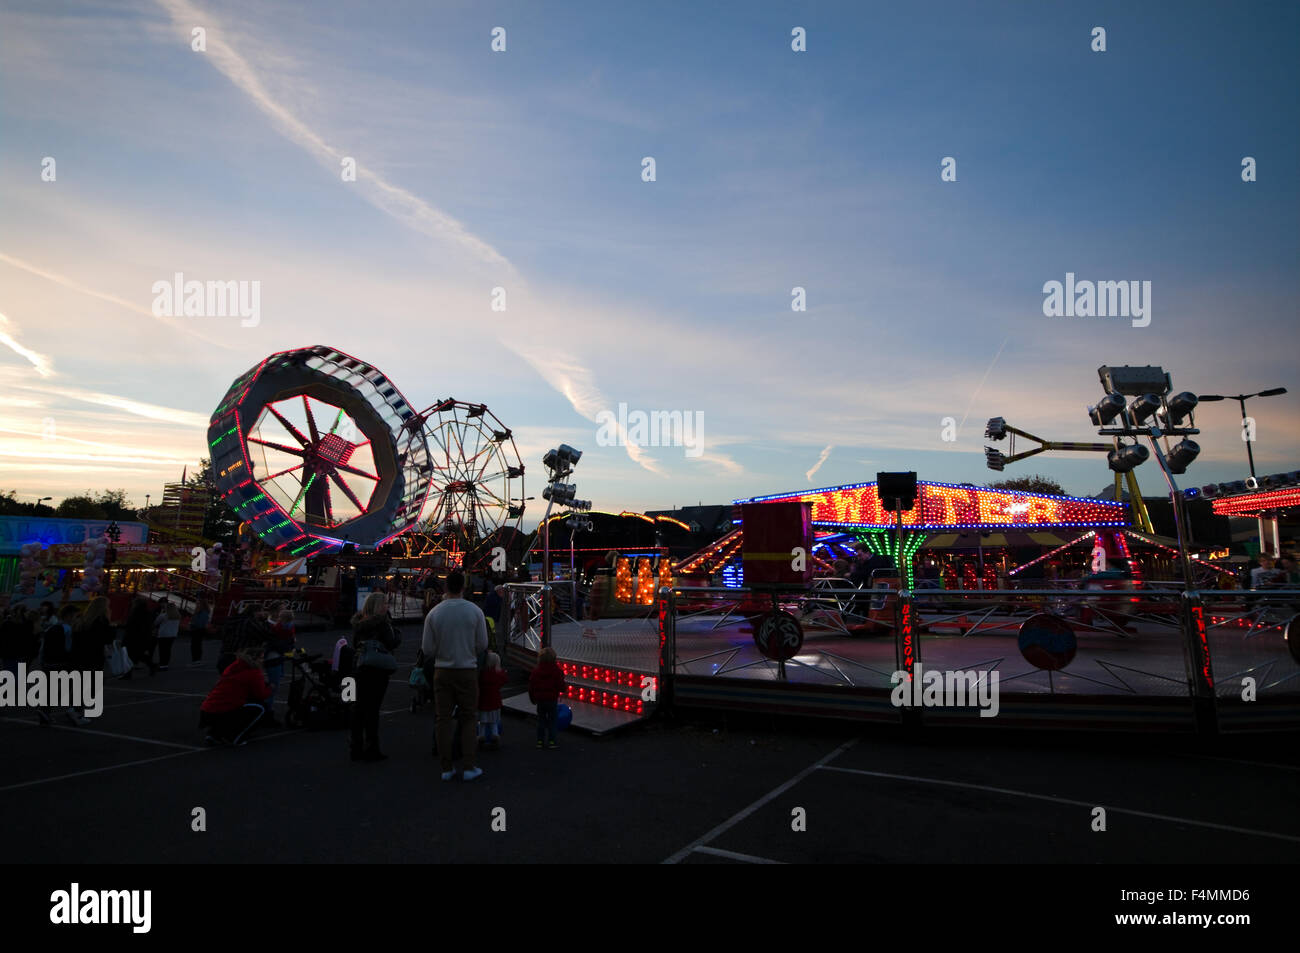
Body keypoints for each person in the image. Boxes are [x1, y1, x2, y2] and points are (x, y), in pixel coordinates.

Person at [422, 570, 488, 781]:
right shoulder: (475, 611)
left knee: (443, 719)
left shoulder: (434, 613)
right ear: (463, 587)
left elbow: (428, 650)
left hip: (442, 669)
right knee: (468, 718)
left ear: (445, 587)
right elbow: (482, 645)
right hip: (467, 669)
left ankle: (446, 767)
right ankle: (468, 766)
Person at [350, 592, 400, 762]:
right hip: (378, 669)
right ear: (379, 606)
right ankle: (372, 747)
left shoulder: (359, 624)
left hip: (361, 667)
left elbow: (355, 644)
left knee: (359, 708)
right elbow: (392, 642)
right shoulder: (382, 624)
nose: (387, 606)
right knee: (373, 709)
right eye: (385, 603)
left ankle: (356, 746)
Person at [199, 646, 272, 746]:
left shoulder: (233, 667)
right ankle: (234, 737)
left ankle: (214, 734)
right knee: (261, 708)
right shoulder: (254, 673)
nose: (263, 660)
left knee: (235, 705)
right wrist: (270, 688)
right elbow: (261, 695)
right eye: (261, 658)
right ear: (254, 659)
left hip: (207, 710)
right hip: (223, 710)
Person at [528, 647, 566, 749]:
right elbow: (561, 685)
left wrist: (532, 698)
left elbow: (531, 686)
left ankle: (540, 741)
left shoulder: (536, 671)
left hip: (540, 700)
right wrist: (563, 689)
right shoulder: (557, 671)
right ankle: (552, 741)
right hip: (552, 699)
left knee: (541, 720)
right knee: (552, 720)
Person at [264, 608, 296, 717]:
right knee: (274, 683)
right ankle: (267, 709)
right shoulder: (289, 627)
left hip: (276, 654)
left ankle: (267, 708)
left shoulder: (276, 627)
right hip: (279, 654)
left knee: (274, 681)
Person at [477, 652, 507, 749]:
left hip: (483, 702)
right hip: (495, 702)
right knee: (494, 721)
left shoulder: (481, 674)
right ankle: (495, 737)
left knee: (482, 722)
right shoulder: (498, 674)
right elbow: (504, 680)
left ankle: (481, 737)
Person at [122, 596, 156, 677]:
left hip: (134, 637)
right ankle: (151, 665)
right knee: (137, 655)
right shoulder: (147, 613)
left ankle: (128, 673)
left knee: (131, 655)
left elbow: (132, 626)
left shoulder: (135, 613)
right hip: (142, 637)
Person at [154, 603, 181, 670]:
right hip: (173, 635)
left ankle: (162, 664)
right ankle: (165, 664)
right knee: (168, 650)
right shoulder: (177, 616)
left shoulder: (163, 616)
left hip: (164, 634)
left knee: (162, 650)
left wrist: (161, 612)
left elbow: (156, 623)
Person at [188, 597, 212, 665]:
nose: (196, 604)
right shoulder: (204, 611)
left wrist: (192, 623)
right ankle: (196, 659)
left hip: (197, 629)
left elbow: (200, 622)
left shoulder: (202, 612)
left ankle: (196, 660)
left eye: (198, 603)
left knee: (195, 645)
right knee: (197, 644)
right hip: (199, 629)